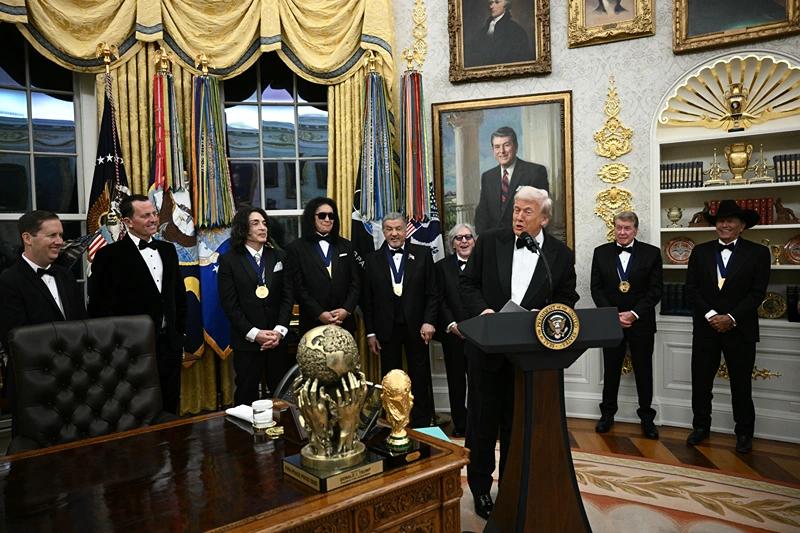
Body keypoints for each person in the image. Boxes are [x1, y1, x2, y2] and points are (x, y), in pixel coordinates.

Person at [460, 186, 578, 520]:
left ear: (544, 217)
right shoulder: (490, 241)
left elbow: (568, 297)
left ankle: (513, 485)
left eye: (527, 212)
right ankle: (481, 490)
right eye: (515, 210)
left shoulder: (559, 254)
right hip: (486, 351)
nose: (518, 217)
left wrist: (546, 317)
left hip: (530, 358)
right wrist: (482, 311)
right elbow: (466, 284)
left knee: (518, 425)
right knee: (482, 425)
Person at [685, 199, 770, 454]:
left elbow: (757, 294)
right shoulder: (700, 252)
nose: (724, 225)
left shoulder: (758, 253)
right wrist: (712, 315)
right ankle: (700, 427)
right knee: (701, 384)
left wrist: (731, 318)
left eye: (730, 220)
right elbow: (692, 289)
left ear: (742, 226)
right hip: (705, 328)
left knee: (741, 385)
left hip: (740, 329)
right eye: (721, 221)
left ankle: (744, 432)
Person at [88, 195, 187, 415]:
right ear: (128, 221)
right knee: (134, 407)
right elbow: (100, 307)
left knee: (170, 403)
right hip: (129, 348)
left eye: (154, 213)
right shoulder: (109, 256)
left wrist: (178, 331)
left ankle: (171, 445)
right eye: (145, 215)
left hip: (169, 344)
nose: (153, 219)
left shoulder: (169, 250)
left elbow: (178, 295)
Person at [0, 211, 88, 436]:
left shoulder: (66, 275)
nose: (60, 241)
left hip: (73, 379)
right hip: (33, 382)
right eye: (52, 235)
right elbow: (16, 338)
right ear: (27, 238)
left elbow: (82, 324)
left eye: (60, 235)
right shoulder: (8, 281)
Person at [361, 212, 440, 428]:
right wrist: (370, 333)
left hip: (417, 328)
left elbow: (432, 292)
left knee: (420, 377)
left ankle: (423, 425)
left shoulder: (423, 254)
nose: (394, 233)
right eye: (389, 229)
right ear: (383, 231)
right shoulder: (372, 259)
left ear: (406, 230)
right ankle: (395, 425)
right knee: (391, 379)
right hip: (386, 331)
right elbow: (367, 300)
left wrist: (428, 321)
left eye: (398, 228)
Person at [590, 211, 663, 439]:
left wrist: (633, 314)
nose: (622, 232)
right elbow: (596, 289)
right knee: (610, 371)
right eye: (619, 227)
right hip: (611, 323)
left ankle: (647, 418)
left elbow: (655, 290)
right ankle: (607, 414)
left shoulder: (652, 254)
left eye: (627, 228)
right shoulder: (600, 253)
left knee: (643, 371)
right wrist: (614, 315)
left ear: (636, 230)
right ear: (614, 228)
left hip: (641, 323)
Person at [218, 207, 293, 407]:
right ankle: (243, 438)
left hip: (277, 342)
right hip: (247, 343)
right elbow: (229, 305)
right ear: (244, 228)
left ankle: (283, 437)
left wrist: (279, 331)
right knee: (246, 395)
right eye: (256, 223)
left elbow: (288, 297)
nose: (263, 227)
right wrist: (255, 334)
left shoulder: (280, 257)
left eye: (264, 223)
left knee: (282, 396)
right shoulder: (229, 261)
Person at [285, 197, 361, 337]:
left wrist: (346, 310)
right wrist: (319, 313)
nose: (327, 219)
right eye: (322, 215)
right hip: (312, 323)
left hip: (344, 322)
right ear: (311, 218)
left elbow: (356, 283)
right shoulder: (295, 249)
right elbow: (298, 287)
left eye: (331, 216)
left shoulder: (347, 246)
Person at [434, 223, 477, 438]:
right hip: (454, 335)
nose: (464, 241)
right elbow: (440, 300)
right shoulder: (441, 267)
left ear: (474, 241)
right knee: (456, 382)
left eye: (468, 237)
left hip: (479, 335)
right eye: (459, 238)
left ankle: (479, 422)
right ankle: (460, 423)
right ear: (452, 243)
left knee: (480, 382)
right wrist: (452, 325)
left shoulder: (483, 265)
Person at [474, 127, 549, 235]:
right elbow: (482, 215)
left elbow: (542, 211)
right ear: (493, 150)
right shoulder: (487, 177)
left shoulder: (535, 172)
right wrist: (484, 242)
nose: (502, 151)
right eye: (497, 147)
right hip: (494, 242)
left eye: (506, 145)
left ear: (516, 147)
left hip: (524, 240)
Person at [464, 0, 533, 68]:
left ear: (505, 5)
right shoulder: (481, 32)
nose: (492, 6)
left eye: (497, 2)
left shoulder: (516, 31)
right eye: (491, 3)